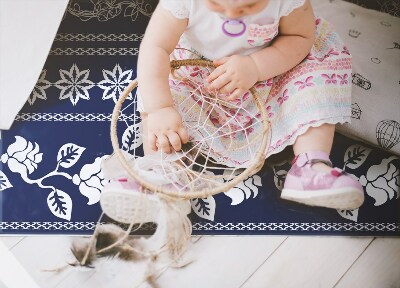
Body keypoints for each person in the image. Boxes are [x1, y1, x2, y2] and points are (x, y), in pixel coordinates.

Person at [101, 0, 364, 222]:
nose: (231, 15)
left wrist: (256, 66)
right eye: (216, 3)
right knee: (156, 83)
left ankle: (310, 164)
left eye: (249, 5)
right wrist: (161, 109)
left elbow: (300, 38)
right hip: (199, 71)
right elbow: (155, 47)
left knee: (318, 71)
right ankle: (162, 173)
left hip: (275, 64)